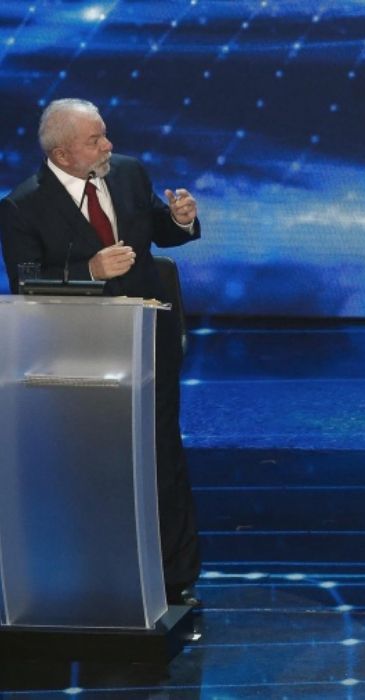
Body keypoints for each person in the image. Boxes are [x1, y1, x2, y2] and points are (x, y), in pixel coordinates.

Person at [0, 98, 203, 607]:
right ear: (63, 154)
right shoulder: (23, 205)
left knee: (162, 457)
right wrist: (89, 271)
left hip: (148, 344)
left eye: (105, 134)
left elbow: (156, 229)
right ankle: (97, 572)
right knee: (95, 465)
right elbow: (26, 282)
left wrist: (179, 221)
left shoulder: (129, 174)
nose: (108, 145)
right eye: (95, 140)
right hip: (79, 354)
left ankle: (175, 578)